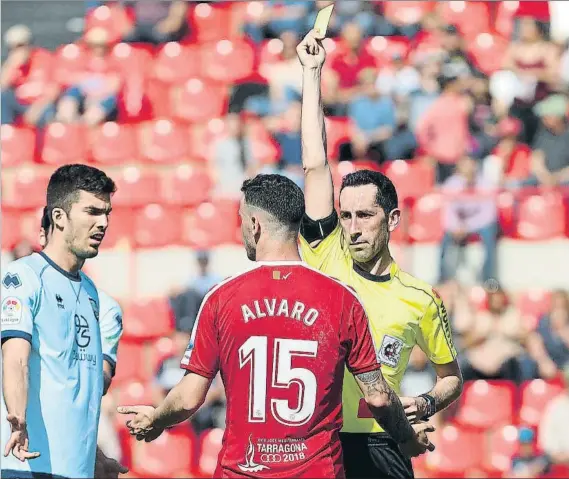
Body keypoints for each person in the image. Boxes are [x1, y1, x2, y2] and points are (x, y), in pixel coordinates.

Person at [118, 174, 435, 478]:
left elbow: (188, 398)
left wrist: (157, 419)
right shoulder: (343, 299)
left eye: (242, 219)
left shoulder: (220, 299)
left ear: (255, 224)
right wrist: (406, 438)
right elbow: (378, 397)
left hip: (242, 472)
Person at [296, 30, 463, 479]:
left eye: (364, 216)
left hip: (383, 443)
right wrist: (312, 75)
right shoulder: (327, 255)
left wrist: (426, 401)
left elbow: (451, 377)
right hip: (319, 442)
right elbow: (314, 163)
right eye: (345, 216)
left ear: (391, 221)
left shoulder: (420, 298)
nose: (351, 228)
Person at [1, 164, 125, 479]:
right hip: (28, 464)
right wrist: (17, 416)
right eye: (93, 212)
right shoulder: (23, 276)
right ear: (59, 217)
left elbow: (78, 390)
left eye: (107, 213)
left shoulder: (92, 294)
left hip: (77, 470)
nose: (103, 223)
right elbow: (15, 359)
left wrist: (94, 455)